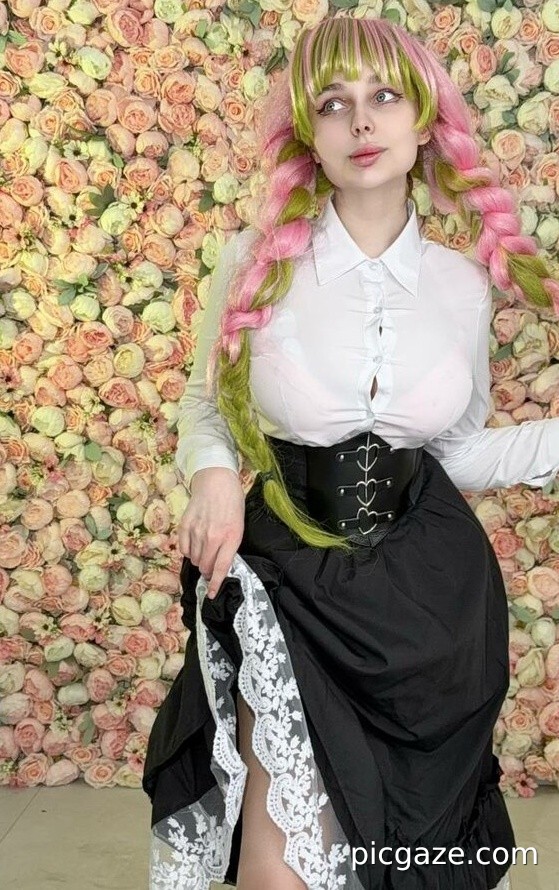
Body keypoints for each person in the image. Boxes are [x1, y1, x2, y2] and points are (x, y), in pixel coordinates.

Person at [142, 14, 559, 890]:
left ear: (424, 121)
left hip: (431, 604)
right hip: (285, 579)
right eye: (333, 103)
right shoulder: (253, 261)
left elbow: (456, 452)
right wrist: (213, 477)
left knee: (402, 853)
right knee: (277, 864)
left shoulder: (460, 286)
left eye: (384, 98)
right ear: (308, 130)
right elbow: (207, 405)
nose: (360, 121)